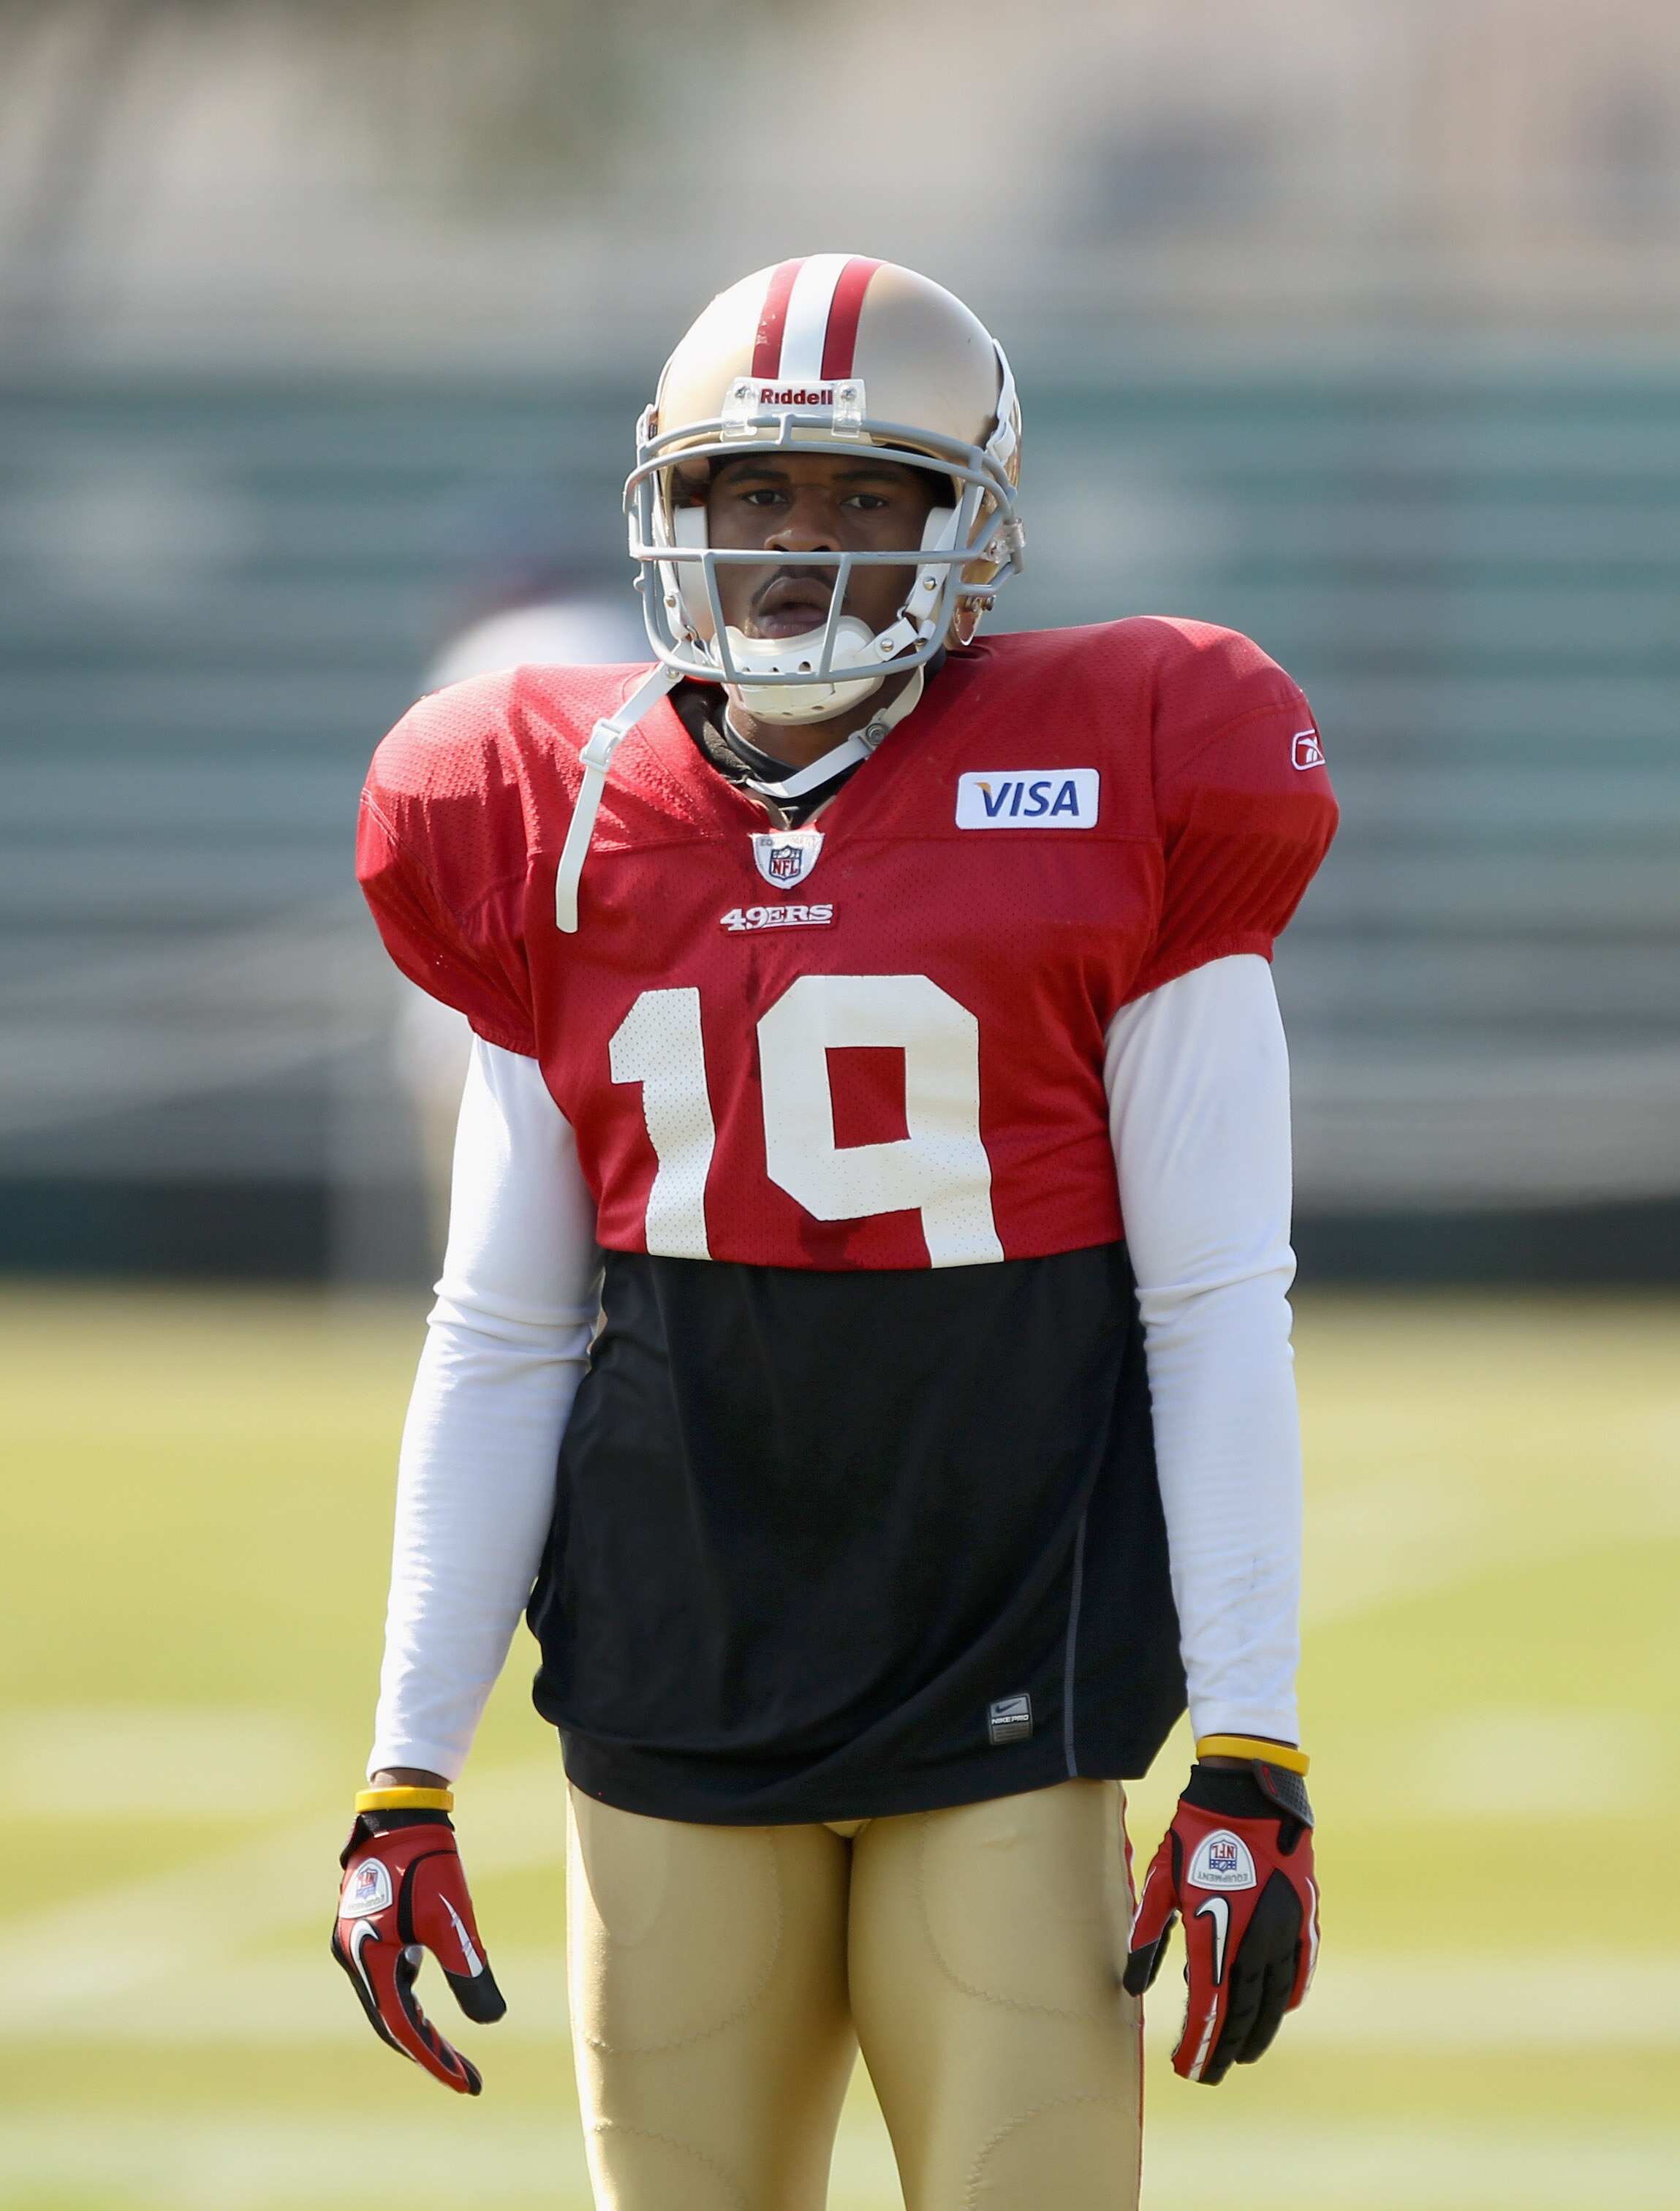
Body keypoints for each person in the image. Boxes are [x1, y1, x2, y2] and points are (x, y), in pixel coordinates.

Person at [333, 255, 1336, 2211]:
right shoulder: (538, 801)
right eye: (751, 496)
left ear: (968, 524)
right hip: (669, 1658)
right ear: (670, 508)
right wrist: (402, 1764)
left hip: (1004, 1661)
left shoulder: (1130, 760)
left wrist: (1252, 1748)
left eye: (867, 498)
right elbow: (502, 1329)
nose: (799, 551)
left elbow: (1212, 1302)